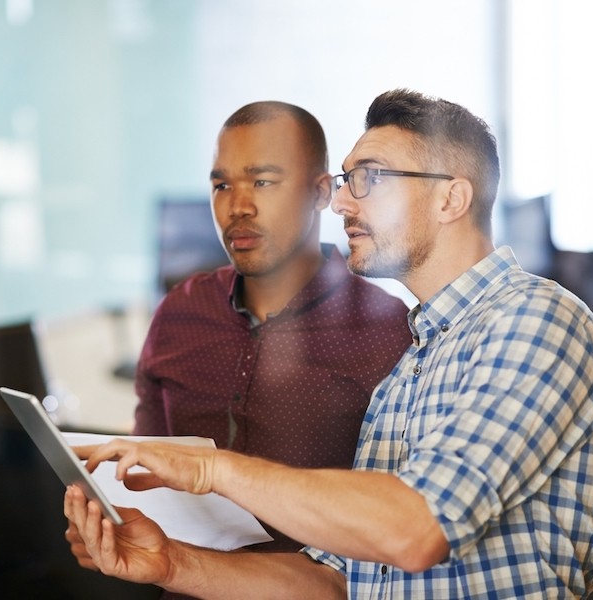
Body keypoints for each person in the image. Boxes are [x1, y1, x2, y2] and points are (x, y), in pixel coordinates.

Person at [65, 89, 593, 599]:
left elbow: (415, 530)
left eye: (372, 178)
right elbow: (332, 582)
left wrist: (213, 470)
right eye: (348, 179)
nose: (341, 204)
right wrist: (169, 563)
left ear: (451, 199)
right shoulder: (411, 368)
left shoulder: (536, 322)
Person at [131, 100, 412, 556]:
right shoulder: (179, 313)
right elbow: (147, 485)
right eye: (222, 185)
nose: (238, 206)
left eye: (262, 182)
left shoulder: (388, 334)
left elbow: (398, 527)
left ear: (321, 193)